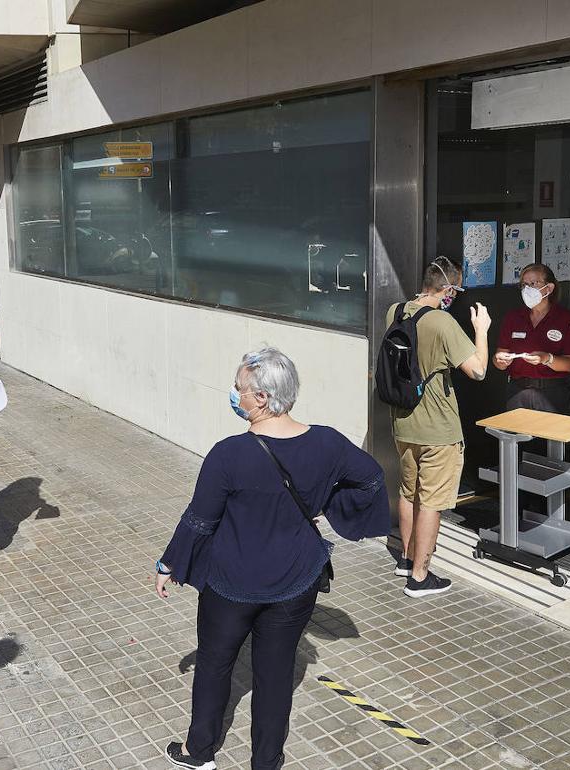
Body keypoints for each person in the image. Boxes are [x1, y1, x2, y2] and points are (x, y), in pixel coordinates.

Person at [156, 347, 390, 770]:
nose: (234, 394)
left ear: (261, 398)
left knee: (213, 665)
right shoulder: (327, 442)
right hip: (296, 582)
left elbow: (199, 521)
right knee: (276, 675)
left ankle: (199, 752)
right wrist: (329, 505)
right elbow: (372, 477)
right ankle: (266, 761)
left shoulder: (229, 453)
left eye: (240, 388)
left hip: (230, 585)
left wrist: (169, 564)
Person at [387, 257, 490, 597]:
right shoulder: (442, 322)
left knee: (408, 491)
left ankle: (405, 557)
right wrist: (482, 330)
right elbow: (477, 371)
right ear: (448, 289)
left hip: (403, 422)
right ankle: (419, 576)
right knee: (430, 501)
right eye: (455, 291)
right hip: (438, 430)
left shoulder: (396, 311)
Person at [493, 263, 570, 413]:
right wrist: (499, 360)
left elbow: (569, 364)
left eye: (533, 283)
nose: (527, 289)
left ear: (549, 288)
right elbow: (498, 358)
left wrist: (546, 358)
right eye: (524, 284)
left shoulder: (565, 319)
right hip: (517, 392)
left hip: (551, 393)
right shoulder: (513, 318)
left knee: (551, 435)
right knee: (515, 435)